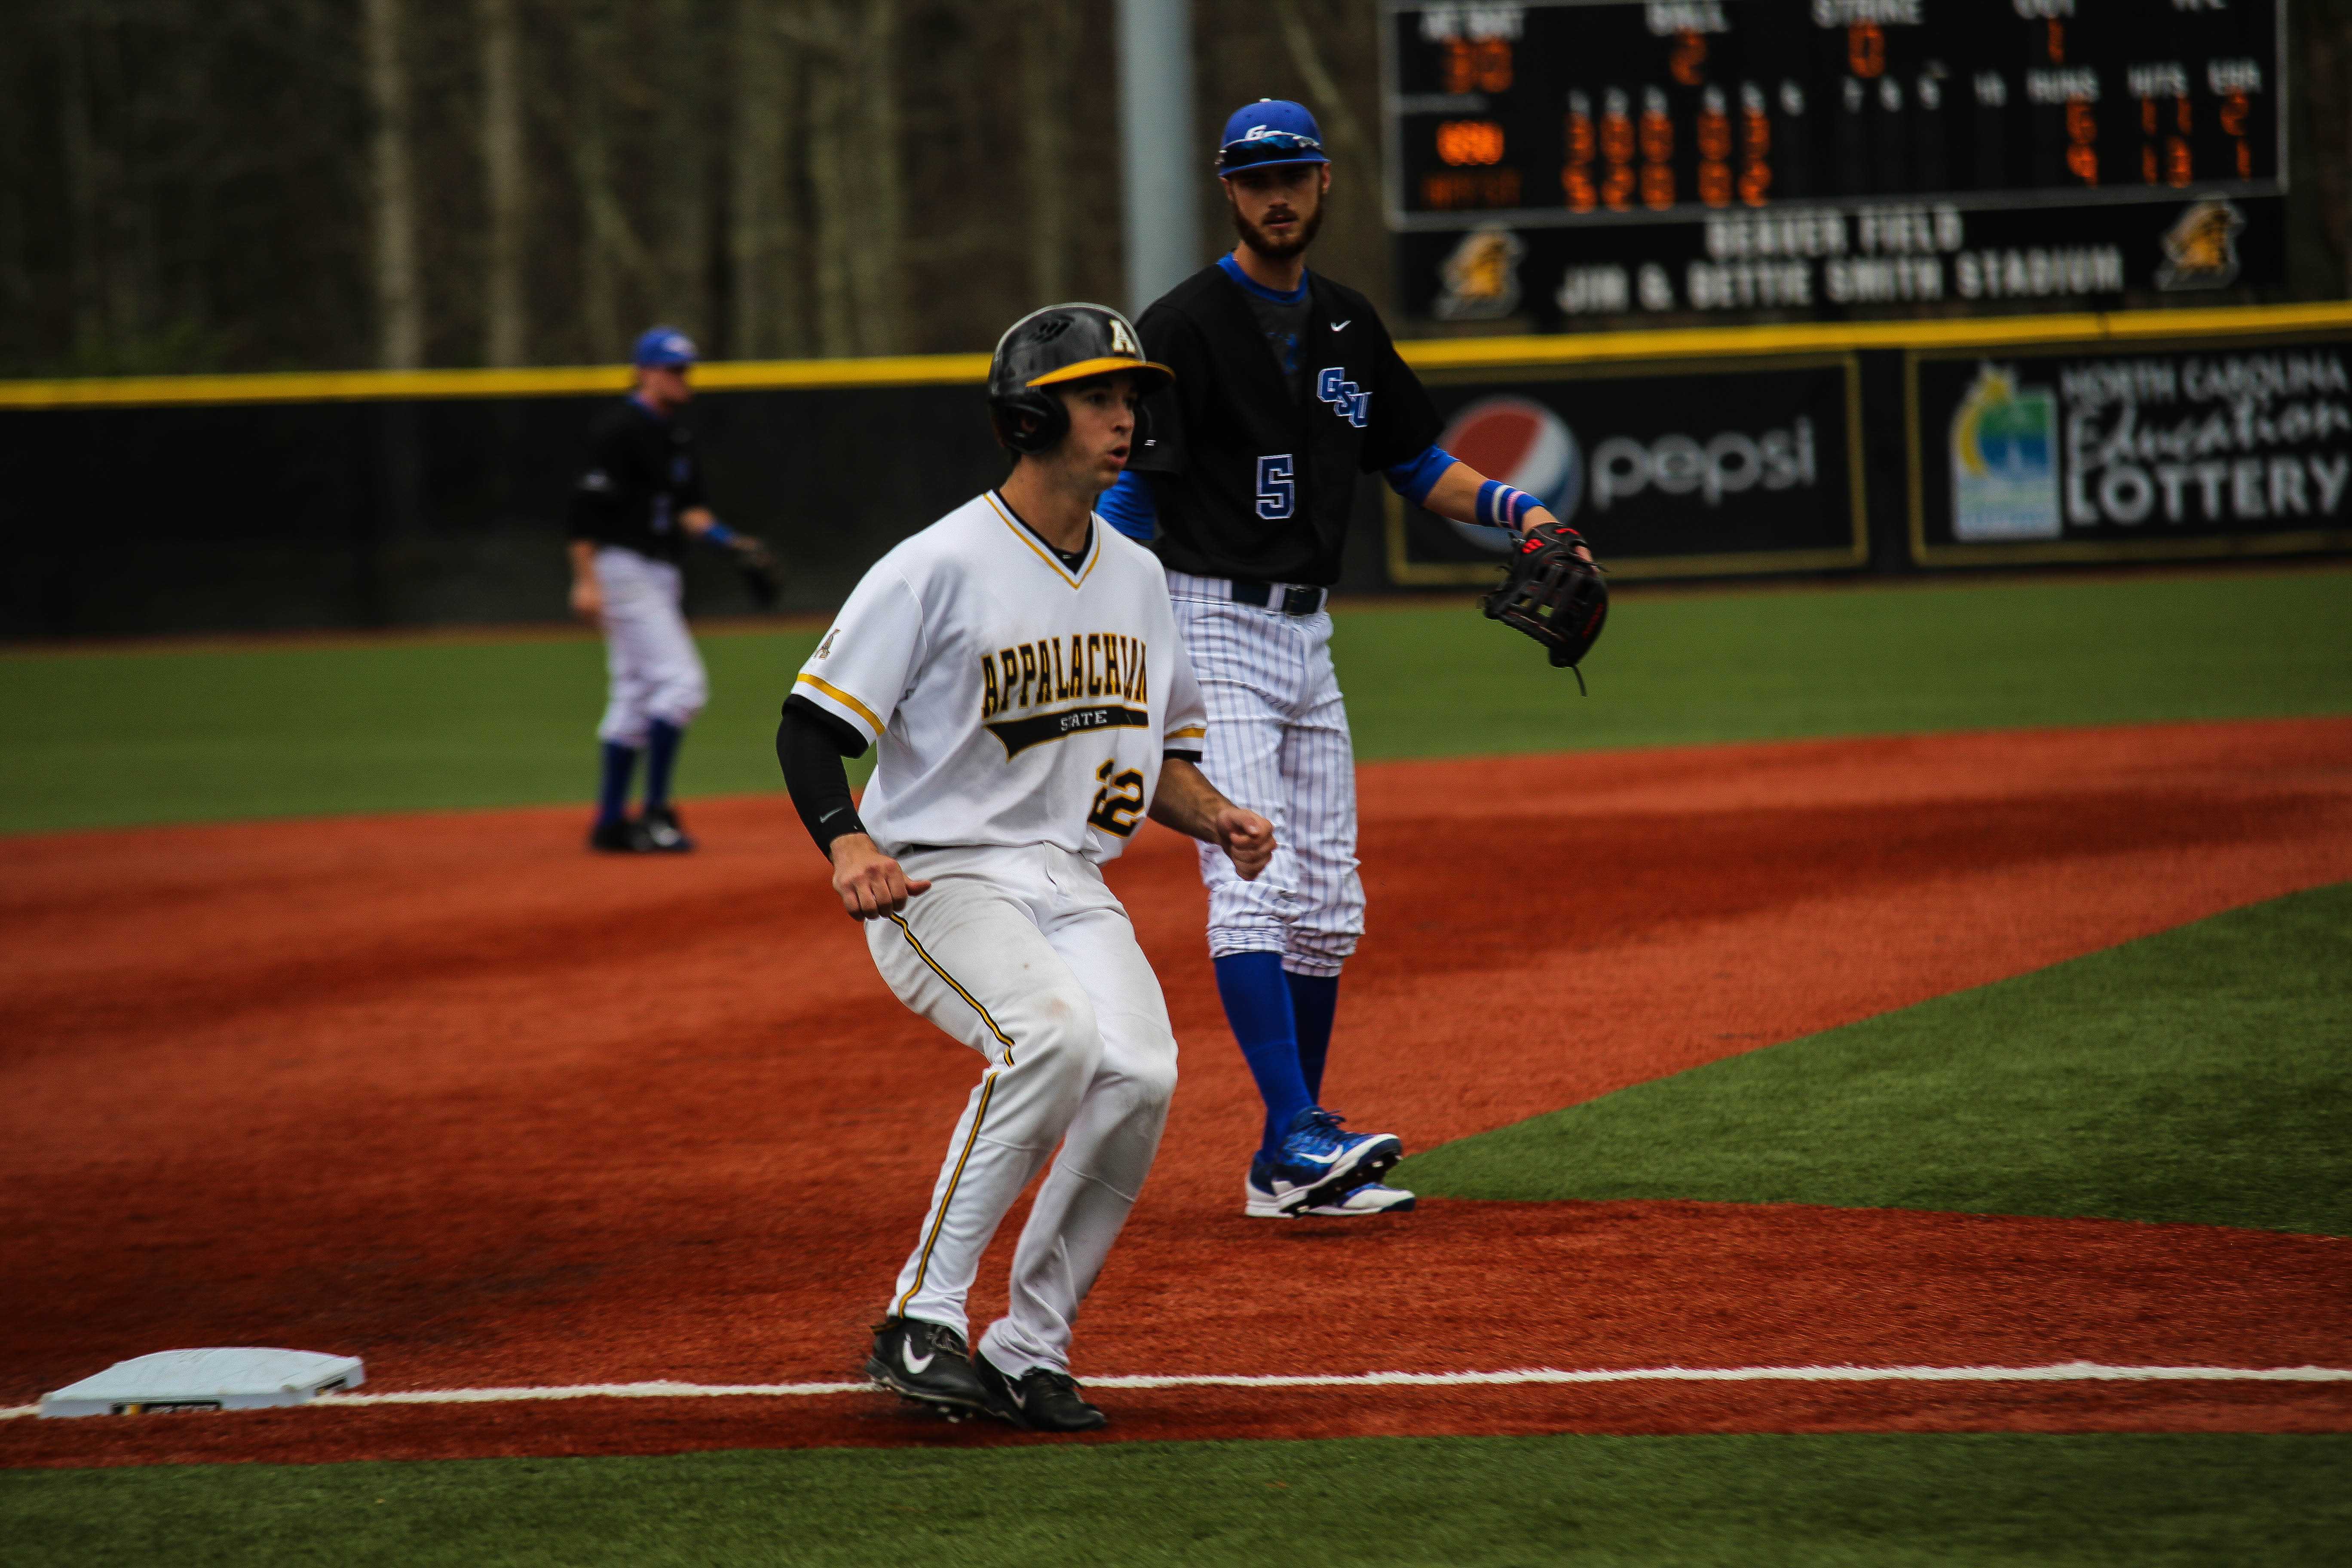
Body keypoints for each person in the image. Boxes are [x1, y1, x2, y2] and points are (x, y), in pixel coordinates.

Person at [777, 303, 1276, 1432]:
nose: (1125, 414)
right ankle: (922, 1317)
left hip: (1069, 882)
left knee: (1140, 1073)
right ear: (1028, 415)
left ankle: (1029, 1345)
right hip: (938, 879)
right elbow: (810, 727)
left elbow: (1153, 767)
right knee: (1048, 1034)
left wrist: (1221, 817)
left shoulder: (1139, 578)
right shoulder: (935, 567)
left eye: (1132, 396)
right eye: (1100, 395)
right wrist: (846, 838)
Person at [1098, 100, 1596, 1220]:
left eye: (1294, 174)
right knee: (1251, 871)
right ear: (1230, 190)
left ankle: (1292, 1164)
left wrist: (1524, 513)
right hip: (1207, 615)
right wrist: (1092, 606)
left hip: (1305, 632)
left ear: (1324, 184)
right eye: (1255, 176)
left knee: (1326, 902)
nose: (1276, 194)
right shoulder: (1181, 324)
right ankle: (1292, 1132)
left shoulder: (1348, 324)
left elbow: (1417, 463)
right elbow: (1132, 491)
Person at [566, 325, 773, 854]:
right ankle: (656, 811)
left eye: (686, 369)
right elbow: (583, 512)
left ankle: (612, 822)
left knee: (636, 693)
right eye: (672, 369)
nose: (683, 378)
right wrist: (586, 581)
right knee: (682, 686)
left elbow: (691, 512)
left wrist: (734, 544)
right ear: (645, 371)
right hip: (622, 567)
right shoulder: (617, 430)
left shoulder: (675, 435)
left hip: (660, 570)